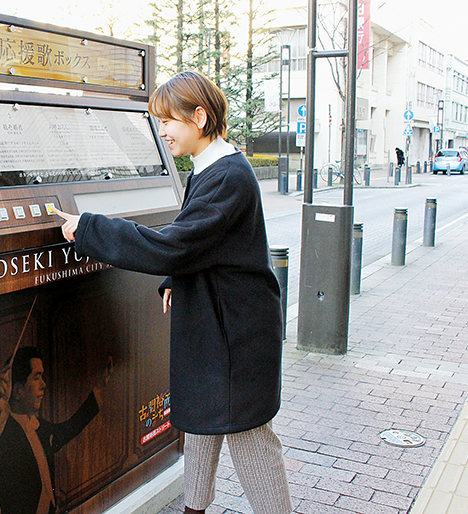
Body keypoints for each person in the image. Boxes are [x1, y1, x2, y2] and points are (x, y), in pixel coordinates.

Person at [54, 70, 292, 514]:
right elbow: (201, 240)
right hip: (221, 325)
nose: (162, 131)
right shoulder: (214, 168)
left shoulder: (227, 176)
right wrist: (173, 281)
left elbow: (175, 244)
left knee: (248, 433)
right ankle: (194, 509)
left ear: (199, 117)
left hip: (235, 336)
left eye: (169, 121)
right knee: (202, 416)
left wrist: (90, 228)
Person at [0, 346, 108, 514]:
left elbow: (68, 429)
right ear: (19, 391)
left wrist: (99, 388)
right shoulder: (3, 434)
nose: (43, 385)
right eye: (37, 378)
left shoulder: (39, 427)